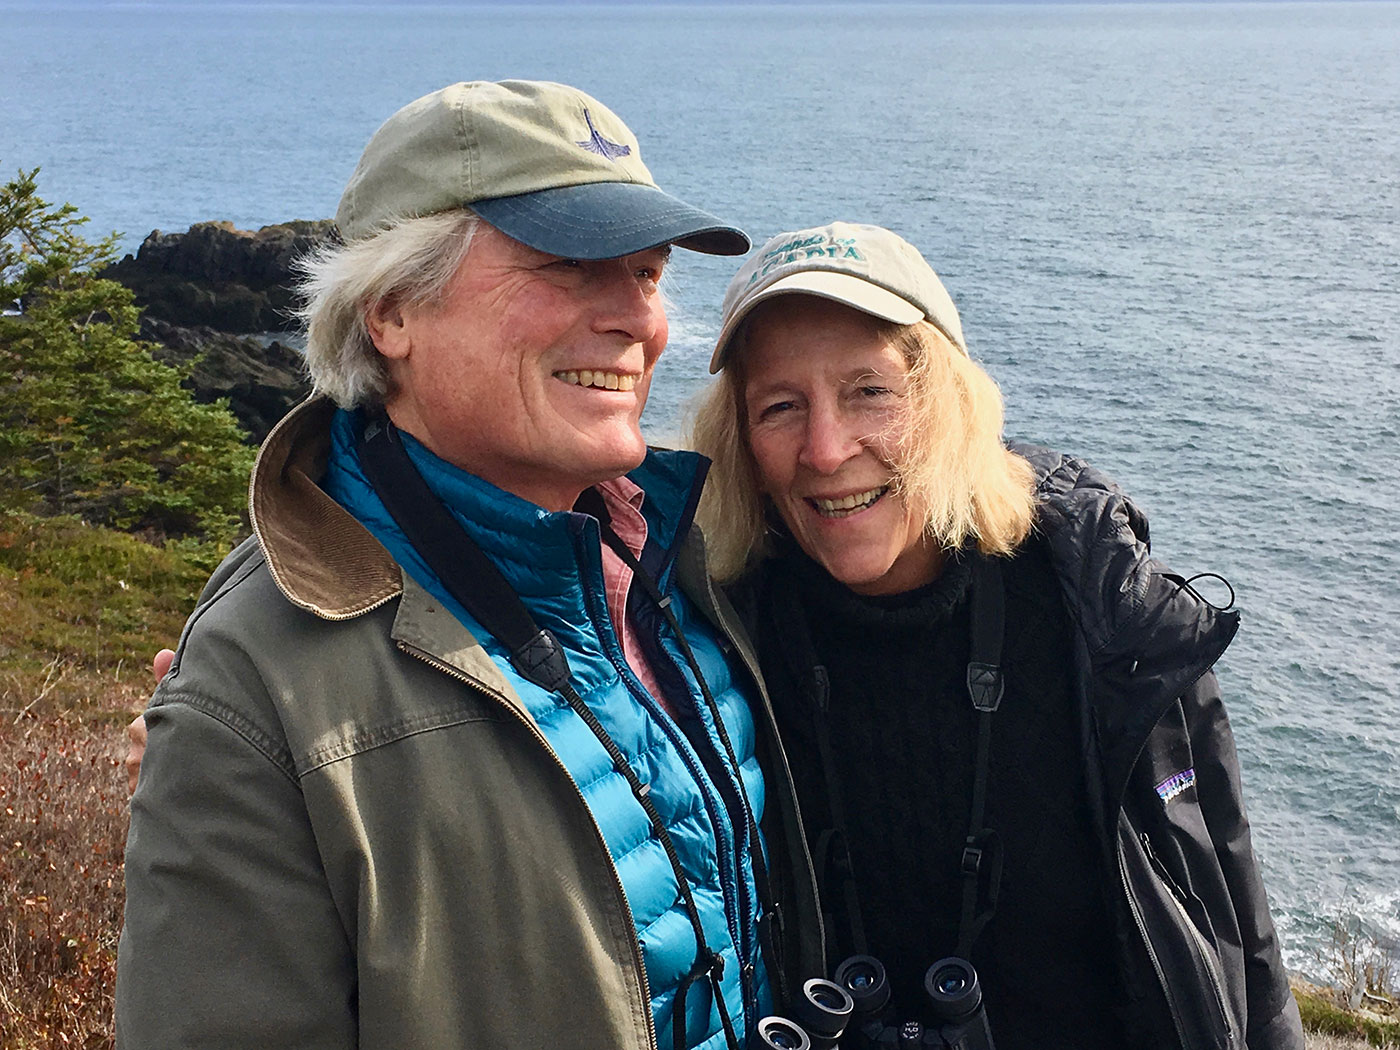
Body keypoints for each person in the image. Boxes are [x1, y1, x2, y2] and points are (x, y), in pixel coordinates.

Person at [116, 80, 824, 1050]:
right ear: (391, 310)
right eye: (571, 267)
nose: (637, 321)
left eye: (648, 273)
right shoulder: (261, 683)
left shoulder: (682, 554)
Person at [690, 222, 1305, 1050]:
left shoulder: (1096, 603)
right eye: (780, 407)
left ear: (947, 405)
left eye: (870, 391)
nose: (827, 450)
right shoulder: (719, 639)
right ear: (740, 441)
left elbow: (1225, 885)